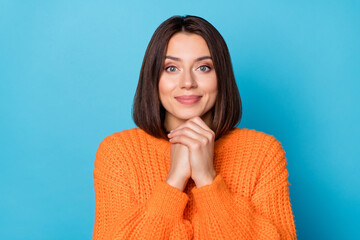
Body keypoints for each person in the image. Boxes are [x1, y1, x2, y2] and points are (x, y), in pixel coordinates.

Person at [92, 15, 297, 239]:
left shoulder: (263, 153)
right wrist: (174, 181)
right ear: (153, 77)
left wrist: (207, 179)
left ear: (222, 77)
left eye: (203, 67)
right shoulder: (118, 153)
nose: (188, 82)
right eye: (171, 68)